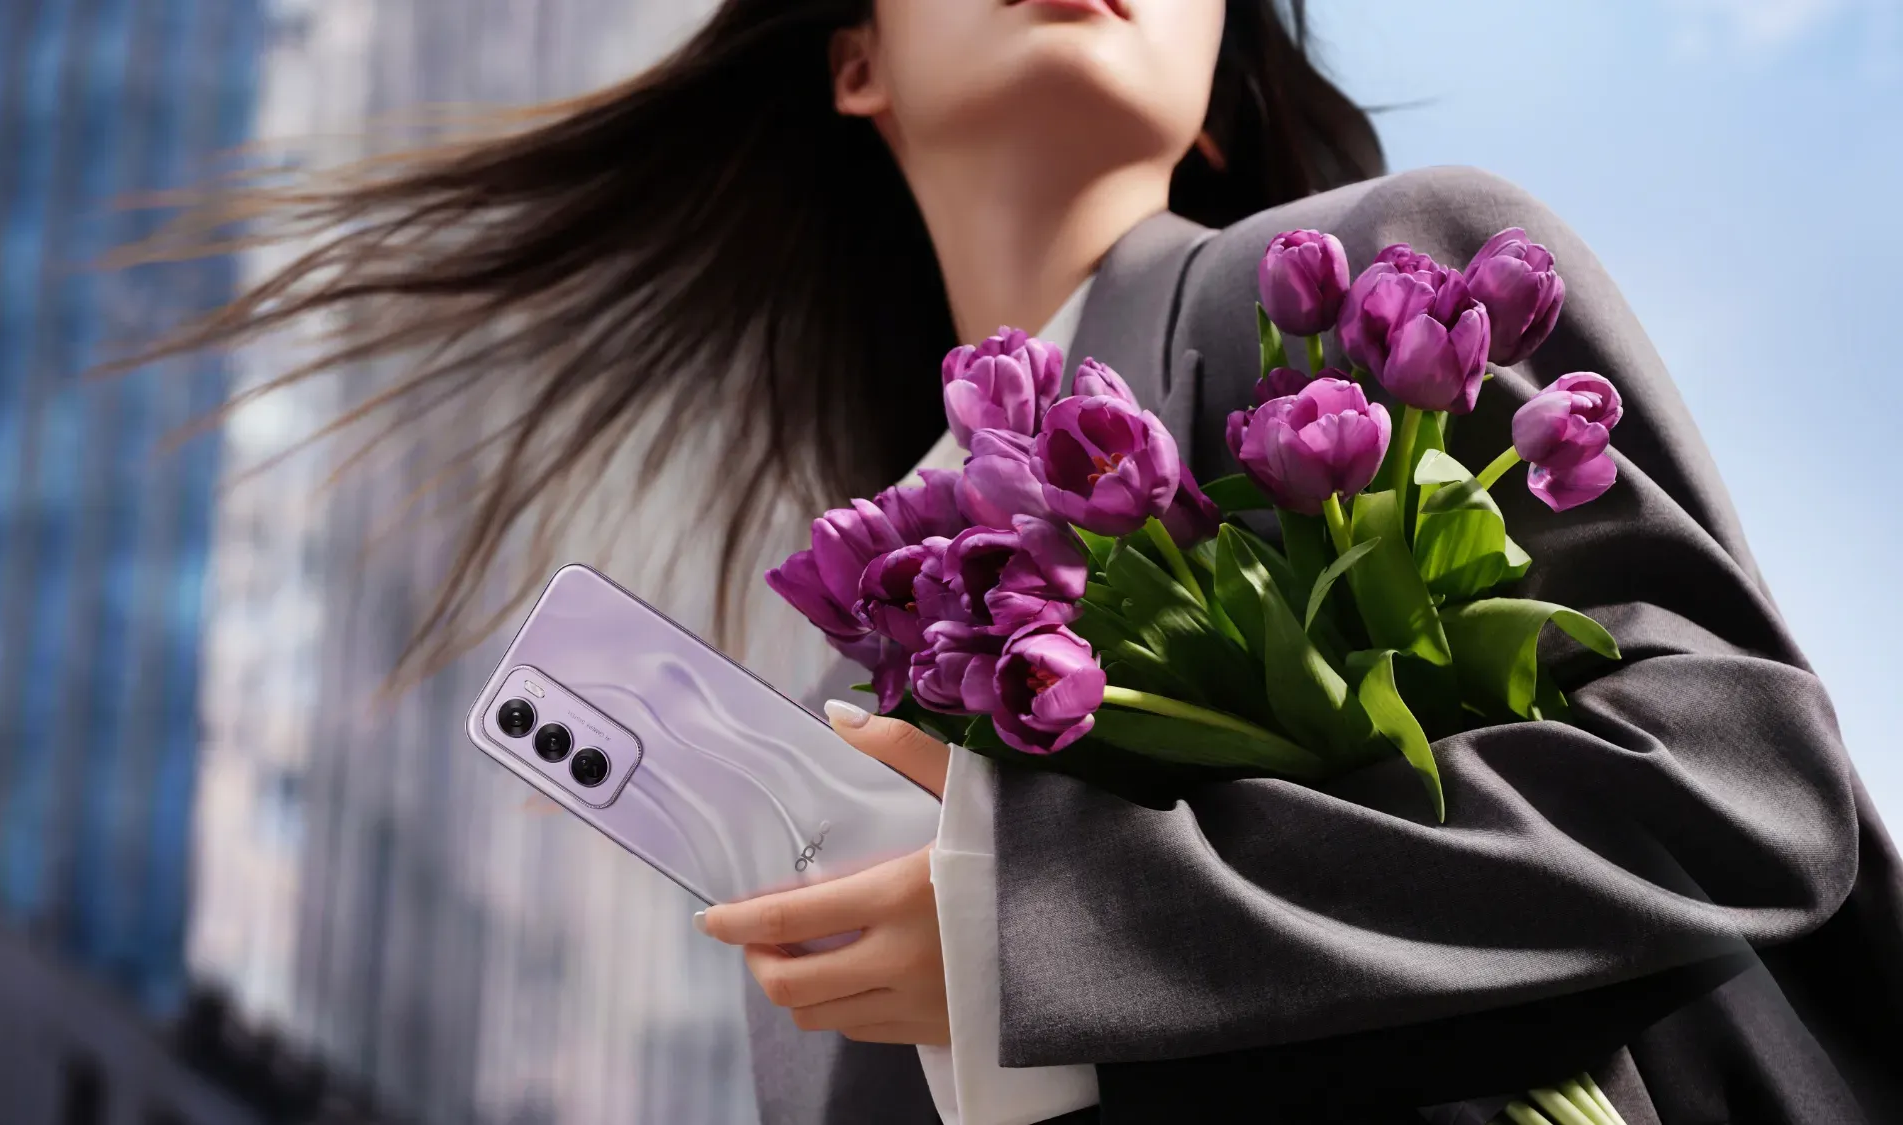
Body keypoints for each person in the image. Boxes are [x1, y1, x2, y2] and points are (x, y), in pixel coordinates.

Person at [145, 1, 1903, 1122]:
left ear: (1217, 88)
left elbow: (1742, 782)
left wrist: (1038, 928)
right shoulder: (848, 657)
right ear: (855, 57)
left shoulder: (1388, 286)